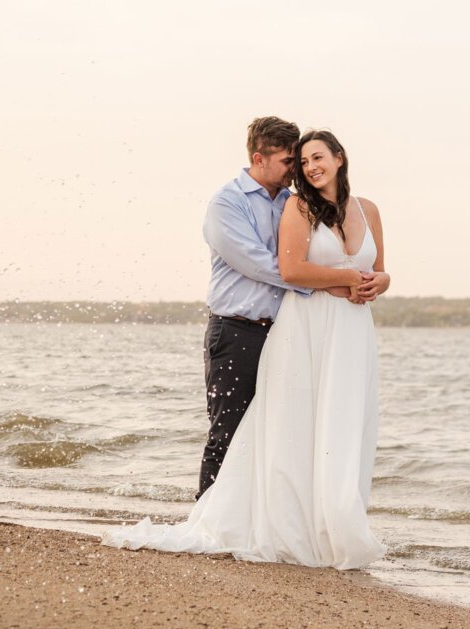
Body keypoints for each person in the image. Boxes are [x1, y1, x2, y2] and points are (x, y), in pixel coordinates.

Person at [102, 126, 390, 569]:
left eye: (311, 159)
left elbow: (374, 268)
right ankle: (214, 515)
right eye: (293, 160)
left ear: (340, 157)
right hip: (237, 329)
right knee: (234, 430)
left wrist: (377, 281)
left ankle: (322, 520)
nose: (302, 168)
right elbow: (273, 266)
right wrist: (343, 281)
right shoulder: (231, 203)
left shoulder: (312, 203)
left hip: (307, 330)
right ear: (260, 158)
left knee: (315, 428)